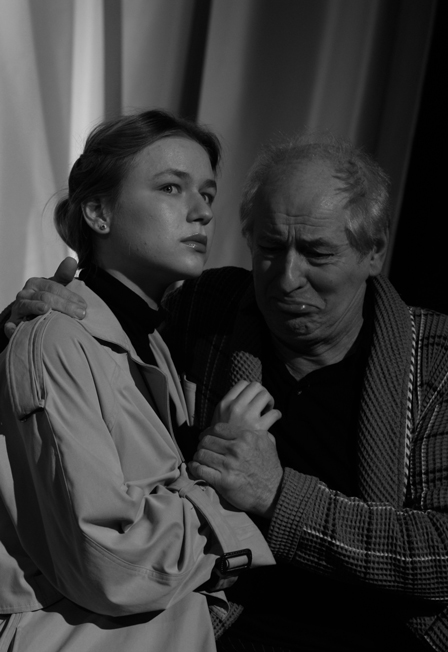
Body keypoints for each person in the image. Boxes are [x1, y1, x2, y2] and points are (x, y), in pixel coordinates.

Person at [3, 134, 448, 651]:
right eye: (270, 248)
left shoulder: (434, 359)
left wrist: (277, 495)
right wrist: (17, 326)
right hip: (215, 629)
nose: (288, 278)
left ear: (374, 252)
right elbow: (103, 347)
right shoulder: (206, 308)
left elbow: (440, 553)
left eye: (318, 253)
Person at [0, 109, 278, 652]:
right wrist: (225, 486)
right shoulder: (57, 337)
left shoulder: (155, 343)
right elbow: (107, 562)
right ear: (98, 212)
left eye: (207, 193)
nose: (202, 211)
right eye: (171, 187)